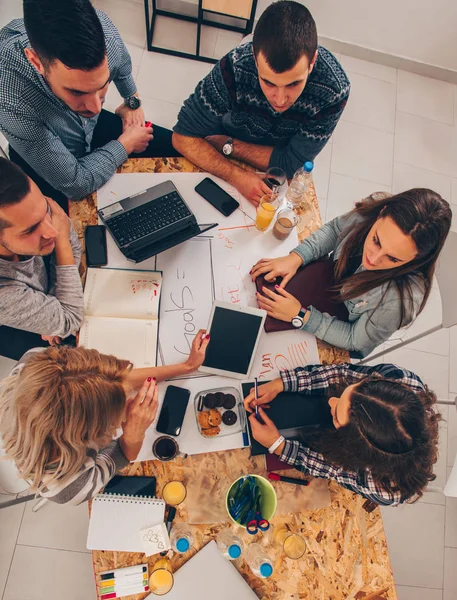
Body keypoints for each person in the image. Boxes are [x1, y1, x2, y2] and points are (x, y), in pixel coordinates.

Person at [0, 0, 180, 211]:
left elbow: (122, 65)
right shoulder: (10, 102)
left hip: (88, 134)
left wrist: (132, 102)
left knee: (176, 148)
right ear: (36, 62)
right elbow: (76, 184)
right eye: (77, 91)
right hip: (45, 157)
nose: (95, 108)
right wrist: (125, 144)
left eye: (102, 86)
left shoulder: (106, 34)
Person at [172, 1, 350, 206]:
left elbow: (292, 164)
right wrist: (236, 176)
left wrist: (229, 145)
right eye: (268, 82)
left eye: (294, 84)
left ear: (312, 62)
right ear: (255, 60)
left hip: (241, 152)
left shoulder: (333, 91)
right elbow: (182, 137)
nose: (280, 100)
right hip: (239, 157)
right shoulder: (234, 67)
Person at [0, 333, 209, 505]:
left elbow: (114, 383)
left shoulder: (35, 362)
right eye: (113, 419)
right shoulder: (67, 487)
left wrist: (186, 367)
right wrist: (133, 434)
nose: (126, 398)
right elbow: (120, 454)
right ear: (89, 434)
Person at [251, 189, 452, 357]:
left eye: (393, 259)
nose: (373, 259)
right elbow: (335, 229)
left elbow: (354, 339)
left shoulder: (399, 302)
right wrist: (296, 257)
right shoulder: (373, 206)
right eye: (376, 240)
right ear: (381, 213)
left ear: (417, 260)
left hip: (340, 332)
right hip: (325, 286)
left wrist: (301, 316)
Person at [244, 362, 439, 505]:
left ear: (354, 450)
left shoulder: (384, 488)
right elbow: (342, 373)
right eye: (348, 391)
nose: (332, 401)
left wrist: (277, 445)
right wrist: (280, 384)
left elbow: (329, 467)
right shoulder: (402, 380)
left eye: (337, 417)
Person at [0, 158, 83, 360]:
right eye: (30, 229)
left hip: (38, 292)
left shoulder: (27, 208)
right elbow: (71, 319)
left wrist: (55, 312)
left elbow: (71, 240)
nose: (51, 230)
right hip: (11, 324)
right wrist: (62, 241)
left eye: (46, 209)